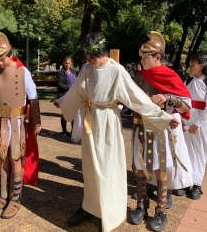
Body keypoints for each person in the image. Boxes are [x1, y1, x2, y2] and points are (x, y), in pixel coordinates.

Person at [53, 33, 180, 232]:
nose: (88, 62)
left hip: (107, 124)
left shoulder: (117, 71)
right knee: (90, 168)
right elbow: (76, 91)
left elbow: (137, 98)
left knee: (107, 168)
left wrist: (163, 117)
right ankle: (91, 207)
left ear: (100, 52)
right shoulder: (87, 69)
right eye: (86, 59)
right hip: (90, 122)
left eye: (91, 58)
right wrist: (62, 102)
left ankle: (110, 210)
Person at [130, 31, 192, 231]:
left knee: (159, 170)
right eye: (141, 57)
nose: (142, 60)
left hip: (159, 130)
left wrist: (168, 98)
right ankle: (141, 206)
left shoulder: (170, 75)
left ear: (158, 57)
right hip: (139, 128)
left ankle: (161, 210)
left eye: (145, 57)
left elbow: (187, 107)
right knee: (140, 169)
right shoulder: (139, 76)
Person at [0, 32, 41, 219]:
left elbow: (33, 97)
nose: (0, 62)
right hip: (0, 122)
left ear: (10, 54)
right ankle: (3, 196)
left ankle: (15, 199)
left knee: (15, 158)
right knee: (2, 158)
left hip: (17, 122)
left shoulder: (22, 71)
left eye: (3, 58)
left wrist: (37, 122)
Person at [182, 53, 207, 200]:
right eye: (190, 64)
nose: (190, 67)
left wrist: (197, 124)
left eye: (193, 65)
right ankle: (186, 180)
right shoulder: (188, 80)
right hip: (187, 120)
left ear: (201, 66)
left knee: (199, 152)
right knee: (186, 151)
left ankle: (197, 184)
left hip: (201, 123)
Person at [56, 56, 77, 137]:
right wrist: (70, 87)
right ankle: (64, 131)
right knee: (64, 113)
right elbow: (59, 84)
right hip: (64, 95)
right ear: (63, 63)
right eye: (66, 63)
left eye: (69, 63)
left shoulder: (74, 72)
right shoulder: (60, 73)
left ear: (71, 63)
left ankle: (73, 130)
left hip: (74, 95)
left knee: (73, 114)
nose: (67, 65)